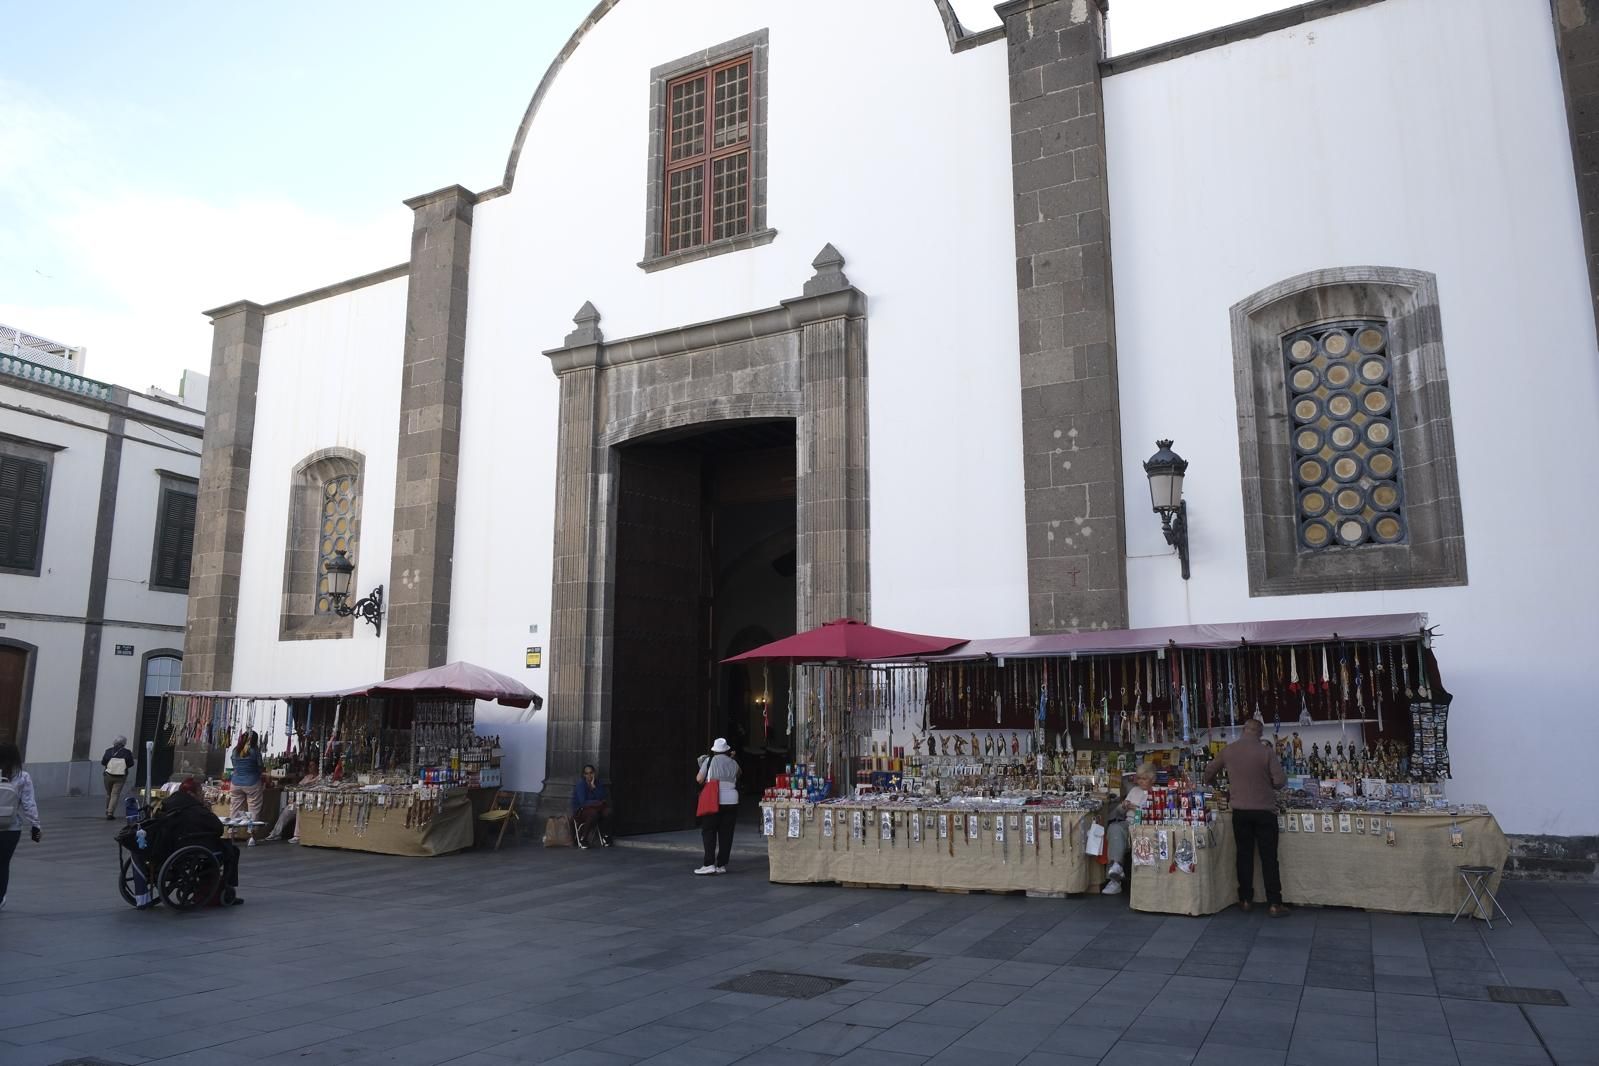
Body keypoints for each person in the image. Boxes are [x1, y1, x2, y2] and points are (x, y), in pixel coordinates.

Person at [1204, 718, 1288, 915]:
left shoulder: (1229, 750)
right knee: (1269, 857)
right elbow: (1280, 781)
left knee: (1244, 855)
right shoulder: (1266, 751)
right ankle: (1274, 903)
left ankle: (1245, 900)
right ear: (1259, 733)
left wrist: (1215, 784)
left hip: (1240, 811)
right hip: (1265, 811)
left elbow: (1208, 772)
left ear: (1243, 730)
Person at [160, 778, 242, 905]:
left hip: (170, 845)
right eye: (200, 793)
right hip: (192, 845)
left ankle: (207, 884)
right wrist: (207, 809)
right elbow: (218, 828)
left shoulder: (166, 803)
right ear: (191, 794)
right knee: (232, 850)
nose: (202, 795)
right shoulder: (195, 809)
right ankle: (225, 886)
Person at [1101, 763, 1156, 895]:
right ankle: (1116, 870)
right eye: (1139, 778)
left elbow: (1154, 813)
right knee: (1114, 828)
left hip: (1145, 825)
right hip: (1129, 823)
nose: (1141, 781)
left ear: (1152, 779)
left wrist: (1134, 808)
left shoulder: (1156, 793)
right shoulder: (1134, 791)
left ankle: (1116, 872)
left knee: (1130, 831)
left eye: (1144, 778)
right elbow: (1120, 813)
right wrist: (1123, 805)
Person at [0, 741, 42, 911]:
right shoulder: (22, 776)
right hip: (11, 827)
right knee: (3, 863)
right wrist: (35, 825)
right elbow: (28, 804)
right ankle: (0, 897)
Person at [694, 738, 739, 875]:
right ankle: (721, 865)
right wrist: (731, 758)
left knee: (709, 831)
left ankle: (709, 864)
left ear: (714, 751)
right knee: (726, 833)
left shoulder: (709, 761)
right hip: (731, 800)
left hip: (714, 799)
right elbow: (739, 774)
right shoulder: (734, 763)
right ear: (726, 750)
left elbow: (699, 779)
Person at [228, 731, 265, 846]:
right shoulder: (254, 751)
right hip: (252, 782)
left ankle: (231, 835)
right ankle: (251, 837)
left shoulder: (235, 750)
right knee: (253, 809)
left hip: (235, 782)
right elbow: (260, 766)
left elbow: (234, 766)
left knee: (234, 809)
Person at [571, 764, 611, 849]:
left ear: (594, 773)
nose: (589, 775)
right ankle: (583, 838)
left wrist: (594, 787)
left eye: (591, 773)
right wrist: (597, 802)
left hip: (596, 809)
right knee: (593, 813)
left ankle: (605, 836)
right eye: (587, 773)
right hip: (581, 811)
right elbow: (583, 802)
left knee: (608, 811)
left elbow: (602, 797)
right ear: (584, 775)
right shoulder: (581, 785)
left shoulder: (598, 783)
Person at [101, 735, 136, 820]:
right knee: (115, 794)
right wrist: (122, 766)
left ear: (115, 742)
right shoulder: (127, 752)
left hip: (108, 776)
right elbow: (131, 763)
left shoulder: (108, 751)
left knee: (109, 794)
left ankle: (107, 809)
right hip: (120, 776)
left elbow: (103, 762)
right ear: (124, 743)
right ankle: (110, 813)